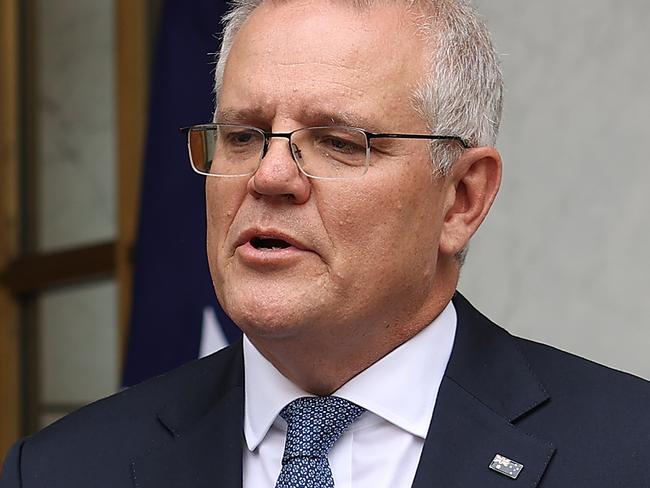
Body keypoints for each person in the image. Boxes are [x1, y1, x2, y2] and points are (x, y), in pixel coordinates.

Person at [2, 0, 649, 487]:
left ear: (461, 199)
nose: (269, 175)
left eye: (341, 142)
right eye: (243, 135)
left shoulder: (628, 451)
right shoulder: (62, 470)